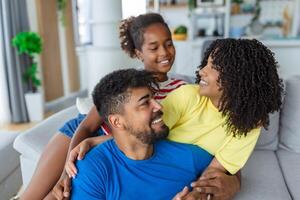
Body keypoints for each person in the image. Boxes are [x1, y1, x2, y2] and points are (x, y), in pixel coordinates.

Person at [66, 38, 284, 200]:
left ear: (238, 80)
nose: (202, 72)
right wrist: (93, 141)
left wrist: (197, 195)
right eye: (206, 63)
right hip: (116, 131)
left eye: (213, 67)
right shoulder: (189, 96)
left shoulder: (248, 124)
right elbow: (144, 131)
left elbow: (216, 172)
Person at [20, 13, 187, 200]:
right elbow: (87, 126)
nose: (164, 52)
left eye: (169, 43)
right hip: (78, 133)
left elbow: (157, 137)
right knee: (33, 197)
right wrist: (66, 171)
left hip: (108, 145)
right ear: (139, 53)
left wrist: (95, 142)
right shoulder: (127, 82)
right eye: (154, 47)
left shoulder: (182, 90)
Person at [71, 68, 213, 200]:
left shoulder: (187, 155)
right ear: (117, 122)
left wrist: (232, 183)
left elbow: (229, 168)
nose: (159, 106)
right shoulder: (93, 169)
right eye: (145, 103)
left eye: (154, 98)